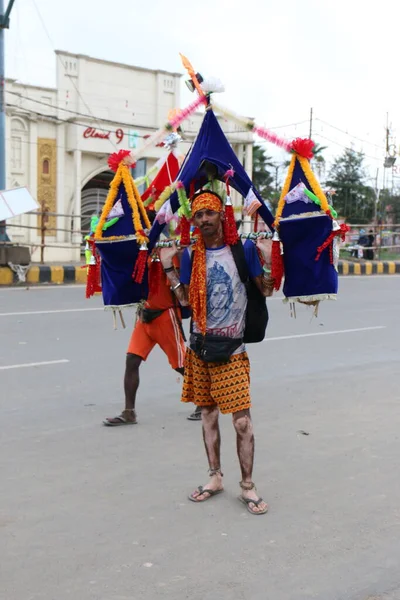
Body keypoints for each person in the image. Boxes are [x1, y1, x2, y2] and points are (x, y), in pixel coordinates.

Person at [160, 191, 273, 515]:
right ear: (193, 221)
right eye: (199, 215)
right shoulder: (192, 256)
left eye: (210, 213)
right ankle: (215, 477)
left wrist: (265, 262)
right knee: (207, 415)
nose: (205, 219)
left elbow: (265, 290)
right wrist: (169, 269)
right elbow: (184, 302)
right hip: (200, 348)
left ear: (222, 215)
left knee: (242, 424)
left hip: (232, 350)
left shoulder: (242, 250)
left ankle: (248, 486)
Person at [103, 248, 201, 426]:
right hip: (145, 316)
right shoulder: (140, 253)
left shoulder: (169, 251)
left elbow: (181, 285)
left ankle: (204, 401)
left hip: (166, 316)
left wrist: (169, 262)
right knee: (132, 360)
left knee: (181, 364)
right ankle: (129, 412)